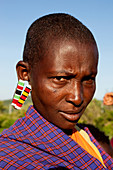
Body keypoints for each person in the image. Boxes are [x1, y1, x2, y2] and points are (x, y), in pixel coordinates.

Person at [0, 13, 113, 169]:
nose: (77, 97)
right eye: (60, 79)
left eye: (88, 79)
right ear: (25, 73)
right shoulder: (8, 156)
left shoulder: (85, 137)